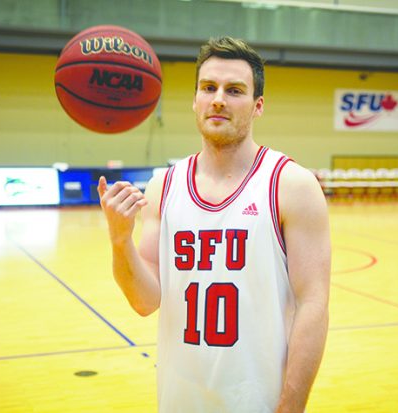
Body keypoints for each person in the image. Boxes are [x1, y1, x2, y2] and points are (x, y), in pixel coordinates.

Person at [97, 36, 331, 413]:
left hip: (260, 401)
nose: (218, 99)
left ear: (258, 106)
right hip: (179, 399)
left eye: (234, 90)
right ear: (195, 100)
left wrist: (292, 405)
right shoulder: (164, 186)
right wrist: (120, 240)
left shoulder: (291, 185)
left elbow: (313, 305)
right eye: (208, 88)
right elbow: (144, 301)